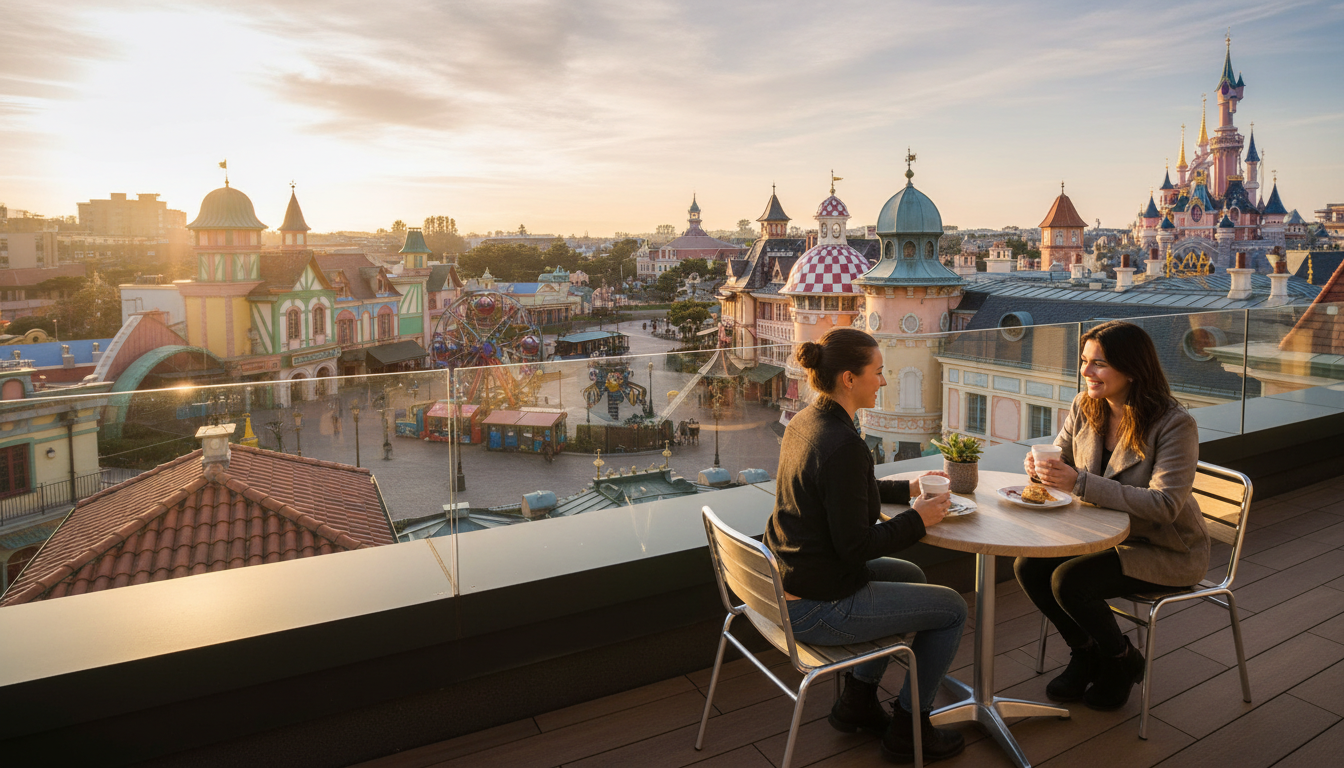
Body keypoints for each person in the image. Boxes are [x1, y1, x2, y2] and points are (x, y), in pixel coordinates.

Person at [766, 327, 968, 764]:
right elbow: (856, 547)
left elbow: (847, 491)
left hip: (790, 585)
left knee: (910, 576)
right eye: (878, 372)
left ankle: (856, 702)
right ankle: (909, 728)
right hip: (817, 606)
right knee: (952, 609)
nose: (884, 380)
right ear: (848, 379)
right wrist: (920, 518)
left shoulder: (808, 422)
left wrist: (907, 487)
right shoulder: (844, 445)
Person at [1017, 320, 1207, 711]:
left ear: (1133, 369)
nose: (1086, 372)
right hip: (1102, 534)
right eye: (1084, 361)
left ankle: (1120, 660)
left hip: (1164, 548)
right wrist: (1041, 469)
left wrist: (1078, 482)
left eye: (1099, 364)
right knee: (1029, 566)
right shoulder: (1086, 406)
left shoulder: (1174, 424)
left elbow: (1165, 506)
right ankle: (1086, 651)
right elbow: (1063, 459)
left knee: (1070, 581)